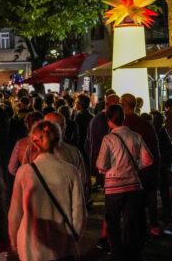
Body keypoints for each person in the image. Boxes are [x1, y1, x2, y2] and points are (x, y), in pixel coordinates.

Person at [9, 120, 86, 260]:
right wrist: (73, 237)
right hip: (62, 245)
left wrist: (14, 241)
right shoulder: (70, 171)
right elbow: (79, 212)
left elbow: (15, 212)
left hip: (31, 245)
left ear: (35, 142)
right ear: (58, 141)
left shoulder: (24, 172)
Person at [97, 104, 153, 261]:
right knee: (132, 224)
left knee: (113, 223)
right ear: (123, 118)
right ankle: (132, 255)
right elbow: (148, 159)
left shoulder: (108, 139)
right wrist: (136, 167)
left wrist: (106, 170)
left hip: (113, 188)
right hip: (134, 185)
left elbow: (101, 164)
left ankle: (117, 254)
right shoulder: (135, 135)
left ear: (109, 120)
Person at [87, 94, 120, 185]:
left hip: (97, 164)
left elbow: (88, 142)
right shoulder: (108, 120)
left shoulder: (95, 119)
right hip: (107, 167)